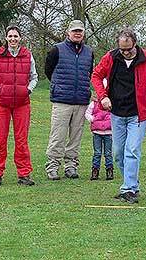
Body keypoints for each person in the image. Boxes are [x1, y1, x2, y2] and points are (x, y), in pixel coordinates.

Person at [91, 27, 146, 204]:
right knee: (118, 153)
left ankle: (128, 189)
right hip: (116, 113)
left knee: (132, 150)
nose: (124, 53)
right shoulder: (111, 57)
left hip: (138, 114)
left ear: (135, 44)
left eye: (128, 49)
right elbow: (96, 75)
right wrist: (103, 96)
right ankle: (132, 185)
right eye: (122, 49)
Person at [0, 25, 38, 186]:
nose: (13, 39)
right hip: (1, 104)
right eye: (10, 36)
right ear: (6, 38)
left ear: (20, 38)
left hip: (22, 104)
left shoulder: (27, 55)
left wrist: (27, 90)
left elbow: (34, 77)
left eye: (16, 36)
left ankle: (24, 174)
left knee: (21, 140)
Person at [45, 20, 94, 180]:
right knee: (57, 135)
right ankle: (52, 167)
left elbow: (90, 73)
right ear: (68, 32)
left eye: (80, 31)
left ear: (83, 33)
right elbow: (48, 71)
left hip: (81, 101)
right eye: (74, 31)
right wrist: (59, 87)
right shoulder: (56, 50)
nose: (77, 33)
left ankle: (71, 166)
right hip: (62, 100)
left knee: (75, 136)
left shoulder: (89, 52)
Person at [84, 84, 114, 181]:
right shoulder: (94, 104)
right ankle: (95, 170)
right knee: (97, 152)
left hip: (108, 132)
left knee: (108, 153)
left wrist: (112, 122)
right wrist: (93, 119)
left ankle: (109, 170)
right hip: (97, 132)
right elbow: (87, 113)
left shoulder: (111, 103)